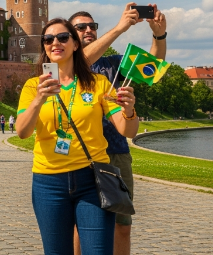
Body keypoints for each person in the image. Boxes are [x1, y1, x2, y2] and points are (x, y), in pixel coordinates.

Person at [16, 18, 138, 254]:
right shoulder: (33, 86)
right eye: (48, 39)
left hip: (92, 180)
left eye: (63, 37)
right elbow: (22, 132)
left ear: (75, 44)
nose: (55, 43)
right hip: (48, 182)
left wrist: (129, 110)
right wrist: (39, 99)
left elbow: (128, 131)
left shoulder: (98, 83)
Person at [69, 5, 166, 255]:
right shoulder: (67, 65)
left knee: (122, 225)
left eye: (93, 26)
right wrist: (121, 28)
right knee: (82, 225)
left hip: (117, 152)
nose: (89, 30)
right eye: (82, 27)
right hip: (83, 154)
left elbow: (152, 69)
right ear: (70, 34)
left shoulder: (113, 63)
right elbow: (84, 59)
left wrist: (159, 36)